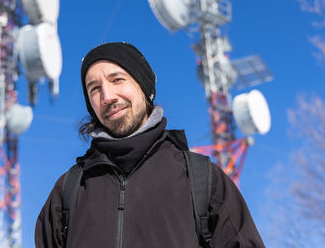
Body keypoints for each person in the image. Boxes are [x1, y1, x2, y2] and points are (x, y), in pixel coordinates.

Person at [35, 42, 265, 248]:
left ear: (145, 89)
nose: (107, 96)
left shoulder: (201, 178)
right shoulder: (68, 190)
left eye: (117, 80)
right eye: (94, 88)